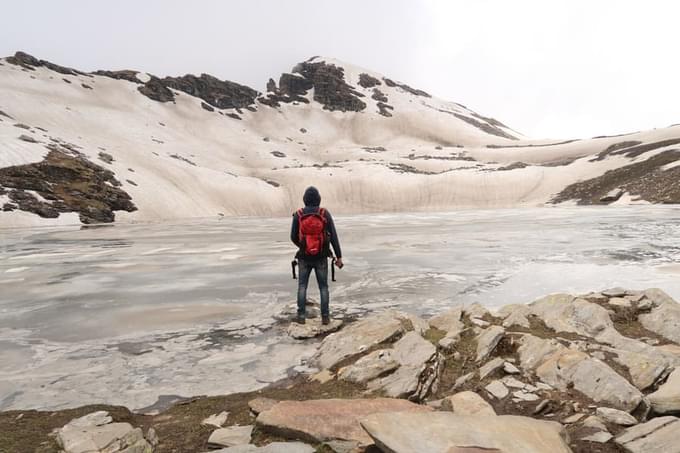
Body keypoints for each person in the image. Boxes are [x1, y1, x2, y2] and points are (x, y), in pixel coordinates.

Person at [290, 186, 343, 325]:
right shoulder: (324, 213)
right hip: (321, 257)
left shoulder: (298, 214)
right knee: (323, 287)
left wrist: (303, 246)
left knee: (302, 287)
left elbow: (292, 236)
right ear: (318, 199)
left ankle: (301, 317)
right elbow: (333, 236)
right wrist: (339, 256)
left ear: (304, 199)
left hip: (303, 258)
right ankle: (325, 317)